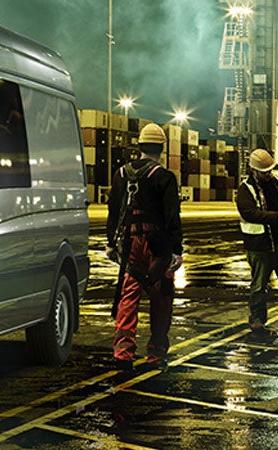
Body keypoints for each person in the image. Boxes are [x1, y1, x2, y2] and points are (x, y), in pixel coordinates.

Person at [105, 123, 183, 372]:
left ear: (138, 146)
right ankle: (156, 355)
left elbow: (113, 212)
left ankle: (123, 353)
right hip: (157, 246)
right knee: (161, 299)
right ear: (162, 147)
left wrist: (110, 244)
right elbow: (172, 217)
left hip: (130, 243)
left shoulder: (120, 174)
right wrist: (177, 251)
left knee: (128, 298)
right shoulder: (165, 177)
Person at [236, 148, 278, 338]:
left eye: (269, 171)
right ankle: (257, 320)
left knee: (260, 285)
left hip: (276, 242)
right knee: (259, 286)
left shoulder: (275, 184)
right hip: (259, 245)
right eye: (264, 172)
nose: (268, 174)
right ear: (254, 170)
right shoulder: (246, 189)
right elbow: (248, 213)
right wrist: (274, 217)